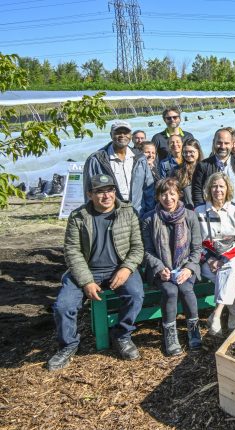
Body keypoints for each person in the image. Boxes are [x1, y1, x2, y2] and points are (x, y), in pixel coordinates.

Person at [48, 174, 145, 370]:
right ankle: (68, 345)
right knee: (63, 306)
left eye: (109, 190)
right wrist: (86, 281)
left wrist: (126, 268)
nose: (106, 195)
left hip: (118, 269)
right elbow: (72, 251)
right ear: (90, 194)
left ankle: (122, 334)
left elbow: (137, 247)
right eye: (100, 191)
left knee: (136, 295)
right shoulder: (78, 216)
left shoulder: (128, 212)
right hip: (86, 270)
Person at [141, 178, 203, 356]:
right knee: (170, 291)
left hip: (185, 267)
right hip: (161, 269)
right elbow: (147, 251)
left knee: (186, 289)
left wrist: (189, 268)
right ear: (158, 197)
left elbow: (197, 248)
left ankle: (193, 329)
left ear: (179, 195)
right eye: (164, 194)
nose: (168, 198)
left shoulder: (190, 216)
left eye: (172, 193)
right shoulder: (149, 219)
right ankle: (170, 333)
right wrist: (159, 267)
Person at [196, 172, 235, 336]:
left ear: (227, 189)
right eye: (214, 186)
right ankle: (234, 311)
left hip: (234, 255)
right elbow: (195, 242)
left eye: (221, 186)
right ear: (209, 189)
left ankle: (217, 314)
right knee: (229, 276)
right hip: (208, 260)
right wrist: (209, 259)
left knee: (229, 269)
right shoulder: (198, 211)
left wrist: (224, 259)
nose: (218, 190)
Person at [83, 121, 155, 217]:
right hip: (109, 215)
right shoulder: (97, 159)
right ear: (111, 135)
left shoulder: (139, 158)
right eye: (118, 132)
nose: (122, 135)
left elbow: (148, 189)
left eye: (125, 132)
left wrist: (149, 213)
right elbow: (89, 190)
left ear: (130, 136)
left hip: (137, 213)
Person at [191, 128, 235, 208]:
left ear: (232, 144)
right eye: (219, 143)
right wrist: (203, 211)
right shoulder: (203, 166)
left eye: (226, 143)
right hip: (212, 215)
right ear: (214, 143)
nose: (223, 146)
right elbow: (197, 193)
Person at [174, 139, 203, 209]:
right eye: (185, 152)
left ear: (198, 151)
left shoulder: (205, 167)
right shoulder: (177, 170)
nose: (188, 155)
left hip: (203, 207)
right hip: (185, 209)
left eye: (191, 152)